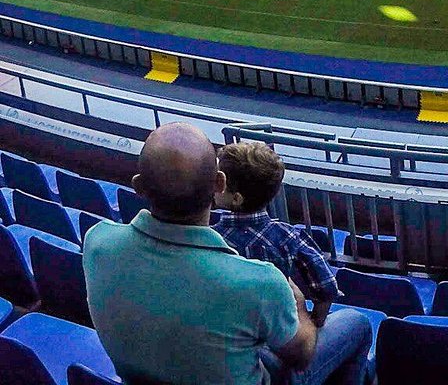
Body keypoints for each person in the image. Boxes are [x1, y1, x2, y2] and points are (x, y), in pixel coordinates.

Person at [83, 123, 370, 385]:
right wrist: (297, 306)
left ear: (138, 185)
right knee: (357, 324)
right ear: (219, 184)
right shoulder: (261, 283)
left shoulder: (97, 241)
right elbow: (302, 354)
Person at [212, 140, 339, 330]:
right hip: (282, 336)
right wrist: (315, 322)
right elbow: (327, 287)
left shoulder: (211, 238)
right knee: (357, 321)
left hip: (231, 333)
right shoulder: (289, 237)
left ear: (237, 198)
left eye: (219, 180)